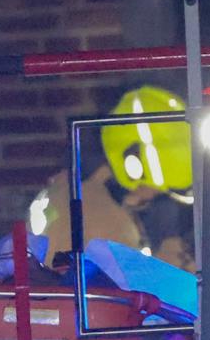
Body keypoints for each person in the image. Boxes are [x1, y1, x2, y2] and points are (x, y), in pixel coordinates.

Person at [29, 86, 197, 272]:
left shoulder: (79, 191)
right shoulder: (94, 214)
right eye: (153, 190)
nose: (150, 198)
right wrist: (169, 268)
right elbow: (118, 292)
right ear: (132, 167)